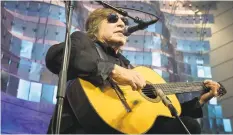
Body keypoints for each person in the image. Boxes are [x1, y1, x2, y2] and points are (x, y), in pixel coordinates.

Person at [45, 8, 221, 134]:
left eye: (125, 21)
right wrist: (112, 70)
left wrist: (199, 102)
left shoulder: (128, 66)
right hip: (82, 128)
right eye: (113, 18)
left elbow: (160, 114)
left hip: (126, 129)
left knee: (187, 126)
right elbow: (56, 57)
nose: (122, 23)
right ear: (95, 27)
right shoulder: (83, 42)